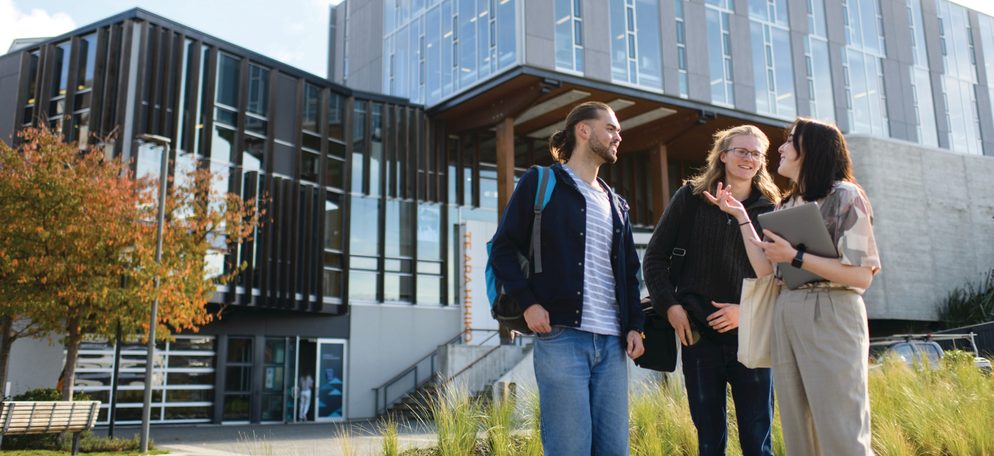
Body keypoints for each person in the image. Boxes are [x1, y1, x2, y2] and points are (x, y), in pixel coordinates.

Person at [709, 117, 881, 455]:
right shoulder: (785, 206)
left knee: (840, 426)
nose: (782, 148)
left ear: (810, 150)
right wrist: (741, 216)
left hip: (833, 311)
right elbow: (767, 271)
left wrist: (796, 257)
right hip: (788, 310)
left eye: (789, 141)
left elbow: (861, 275)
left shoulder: (845, 196)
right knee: (799, 431)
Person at [488, 101, 645, 455]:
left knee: (614, 449)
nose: (618, 136)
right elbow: (502, 248)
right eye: (611, 128)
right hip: (561, 338)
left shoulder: (616, 203)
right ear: (583, 130)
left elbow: (628, 273)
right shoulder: (541, 182)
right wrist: (528, 304)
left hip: (612, 345)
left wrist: (635, 325)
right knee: (568, 448)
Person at [642, 125, 779, 456]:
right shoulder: (690, 198)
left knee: (757, 440)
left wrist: (743, 313)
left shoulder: (772, 209)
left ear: (762, 161)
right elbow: (655, 258)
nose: (748, 158)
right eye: (741, 151)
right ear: (723, 155)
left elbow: (779, 279)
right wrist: (671, 308)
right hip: (698, 335)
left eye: (756, 153)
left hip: (751, 334)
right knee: (709, 440)